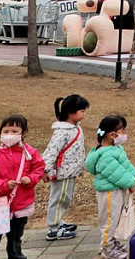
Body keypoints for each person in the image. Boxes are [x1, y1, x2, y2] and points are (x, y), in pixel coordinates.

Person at [0, 114, 45, 259]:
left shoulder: (30, 154)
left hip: (20, 206)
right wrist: (4, 185)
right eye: (6, 131)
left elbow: (39, 169)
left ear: (24, 133)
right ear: (0, 133)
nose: (10, 135)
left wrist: (31, 178)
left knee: (15, 239)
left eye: (15, 131)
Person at [85, 115, 135, 259]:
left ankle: (112, 242)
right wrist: (130, 182)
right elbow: (116, 173)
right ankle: (106, 247)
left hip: (116, 190)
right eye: (122, 131)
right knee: (109, 220)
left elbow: (125, 165)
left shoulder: (115, 148)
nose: (124, 134)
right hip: (109, 192)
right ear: (112, 134)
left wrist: (133, 176)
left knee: (115, 218)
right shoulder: (106, 155)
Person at [41, 94, 88, 241]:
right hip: (63, 172)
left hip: (70, 171)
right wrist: (45, 170)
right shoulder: (62, 132)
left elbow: (77, 150)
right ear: (71, 113)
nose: (84, 114)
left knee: (65, 198)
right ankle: (54, 228)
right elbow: (51, 151)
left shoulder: (74, 128)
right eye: (82, 111)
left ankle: (58, 221)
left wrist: (79, 168)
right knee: (59, 198)